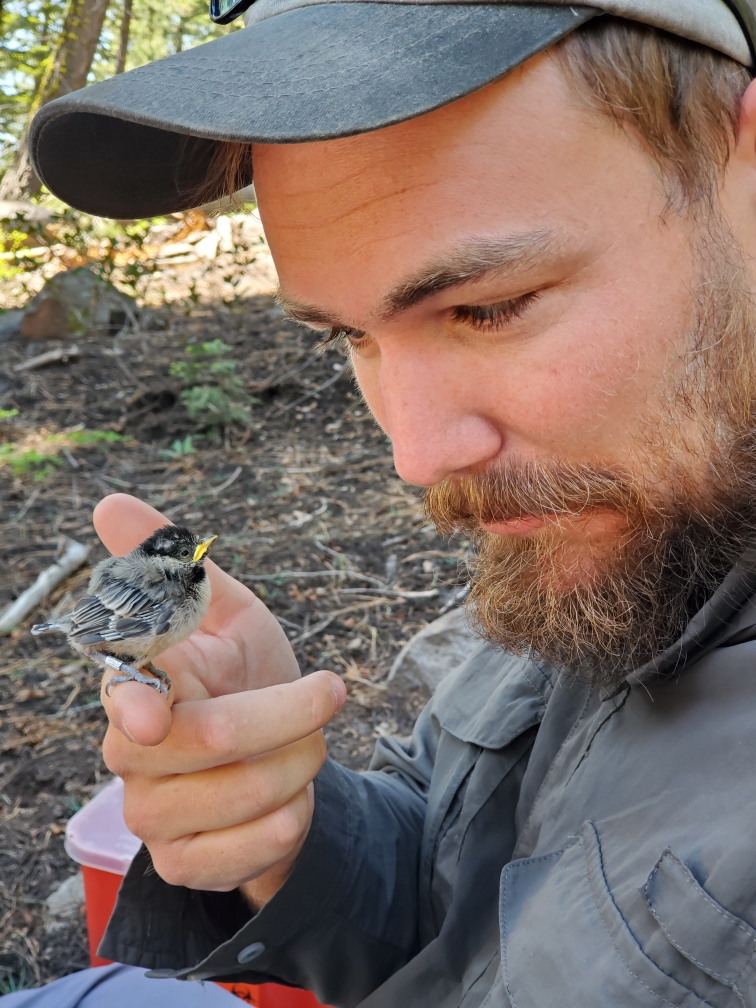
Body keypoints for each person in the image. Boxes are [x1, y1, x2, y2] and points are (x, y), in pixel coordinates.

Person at [16, 0, 756, 1005]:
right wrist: (293, 831)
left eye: (488, 307)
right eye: (346, 336)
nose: (416, 455)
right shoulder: (615, 524)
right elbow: (465, 894)